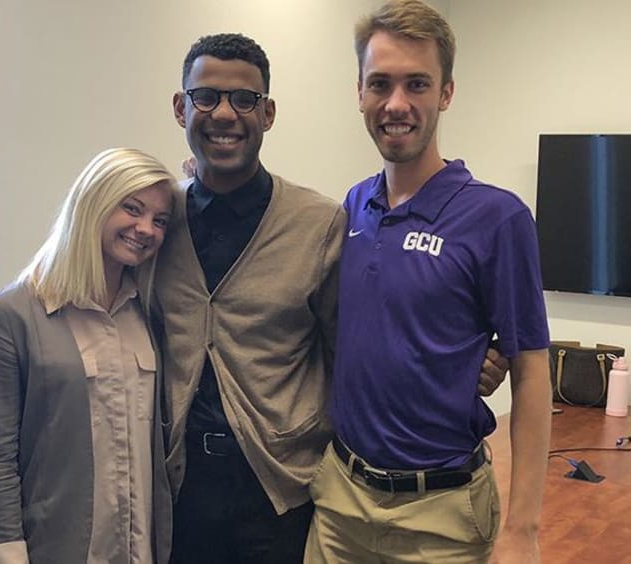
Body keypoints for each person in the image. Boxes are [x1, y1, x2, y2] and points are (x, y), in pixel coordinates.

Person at [146, 33, 509, 564]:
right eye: (206, 96)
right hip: (176, 491)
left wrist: (469, 362)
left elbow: (360, 339)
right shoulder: (154, 226)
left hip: (281, 496)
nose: (225, 113)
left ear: (267, 113)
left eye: (244, 99)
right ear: (182, 107)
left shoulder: (319, 225)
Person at [305, 1, 553, 563]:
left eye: (417, 84)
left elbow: (532, 369)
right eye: (380, 84)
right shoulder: (354, 205)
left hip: (440, 519)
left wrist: (523, 531)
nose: (397, 104)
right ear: (360, 93)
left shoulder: (498, 218)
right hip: (339, 504)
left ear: (446, 93)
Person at [0, 148, 176, 563]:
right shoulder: (10, 314)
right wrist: (7, 554)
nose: (146, 229)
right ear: (94, 203)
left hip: (144, 551)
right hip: (57, 549)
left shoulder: (150, 312)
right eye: (132, 209)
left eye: (160, 220)